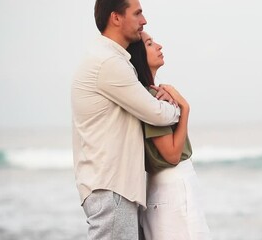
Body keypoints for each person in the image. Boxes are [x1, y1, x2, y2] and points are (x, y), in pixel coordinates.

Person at [71, 0, 180, 239]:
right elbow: (156, 113)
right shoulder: (108, 62)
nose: (144, 20)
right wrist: (178, 105)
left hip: (113, 188)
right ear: (116, 18)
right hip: (112, 188)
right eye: (138, 13)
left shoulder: (111, 60)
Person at [127, 32, 211, 240]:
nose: (159, 46)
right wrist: (184, 108)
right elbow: (172, 155)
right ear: (138, 55)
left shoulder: (148, 95)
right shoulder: (151, 98)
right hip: (173, 185)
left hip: (161, 188)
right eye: (149, 43)